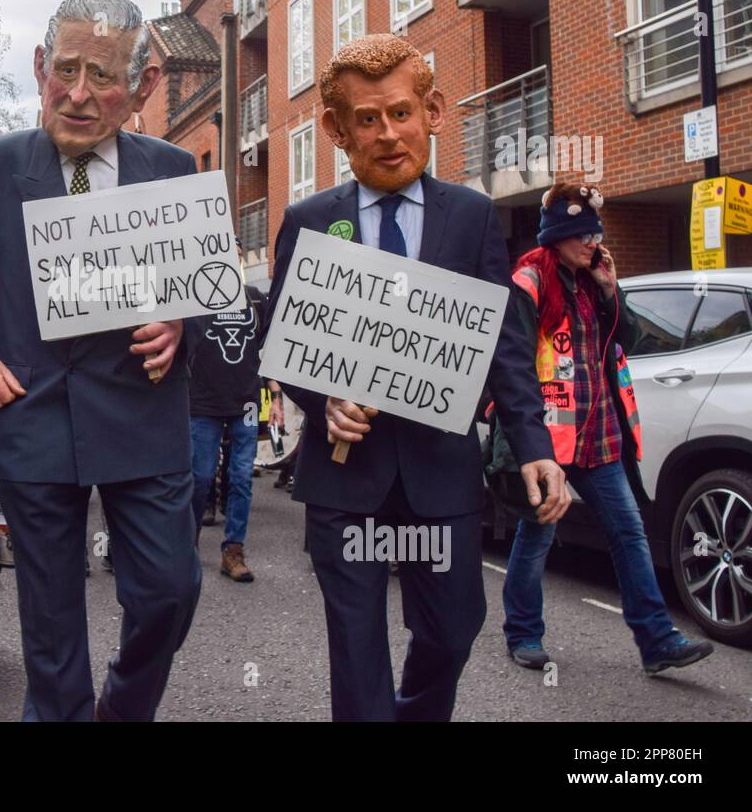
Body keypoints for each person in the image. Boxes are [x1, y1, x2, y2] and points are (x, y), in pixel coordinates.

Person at [264, 35, 567, 721]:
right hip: (345, 478)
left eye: (401, 113)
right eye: (368, 119)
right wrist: (323, 397)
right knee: (356, 650)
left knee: (452, 631)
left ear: (432, 111)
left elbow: (505, 347)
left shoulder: (473, 216)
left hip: (441, 473)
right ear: (338, 130)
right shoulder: (309, 222)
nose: (389, 134)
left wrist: (535, 445)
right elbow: (279, 336)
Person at [0, 0, 203, 722]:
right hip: (31, 415)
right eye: (67, 70)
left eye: (103, 76)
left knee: (171, 592)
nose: (79, 95)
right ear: (41, 66)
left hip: (143, 417)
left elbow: (207, 288)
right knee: (51, 630)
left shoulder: (175, 170)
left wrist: (180, 318)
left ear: (140, 87)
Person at [500, 183, 714, 674]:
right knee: (536, 537)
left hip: (600, 437)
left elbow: (632, 339)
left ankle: (658, 640)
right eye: (580, 234)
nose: (591, 241)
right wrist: (524, 439)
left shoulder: (595, 282)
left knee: (630, 533)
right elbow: (510, 363)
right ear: (555, 236)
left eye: (594, 232)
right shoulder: (529, 281)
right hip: (549, 441)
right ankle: (523, 633)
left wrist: (611, 289)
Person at [188, 242, 266, 582]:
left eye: (234, 253)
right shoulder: (194, 299)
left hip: (246, 402)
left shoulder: (256, 298)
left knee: (241, 477)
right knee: (200, 476)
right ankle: (185, 546)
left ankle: (233, 550)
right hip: (203, 403)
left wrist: (273, 397)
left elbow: (270, 344)